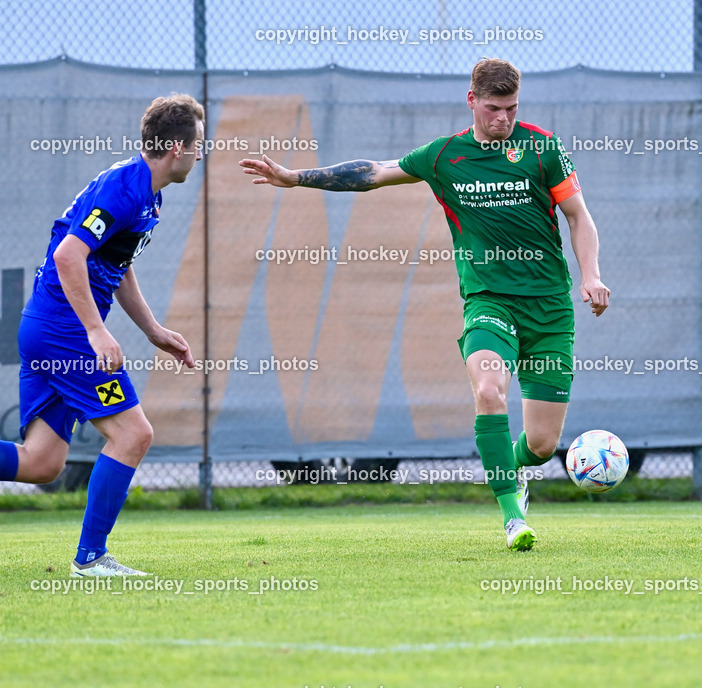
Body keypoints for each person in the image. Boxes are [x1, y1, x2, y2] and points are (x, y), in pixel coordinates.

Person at [240, 58, 610, 551]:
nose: (503, 119)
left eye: (512, 108)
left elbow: (578, 217)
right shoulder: (443, 157)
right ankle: (511, 518)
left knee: (542, 446)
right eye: (494, 108)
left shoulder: (542, 148)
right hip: (489, 302)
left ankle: (517, 468)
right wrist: (296, 177)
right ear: (472, 101)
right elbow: (374, 172)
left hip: (550, 309)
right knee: (489, 390)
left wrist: (592, 276)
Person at [0, 94, 204, 574]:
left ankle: (92, 557)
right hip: (63, 334)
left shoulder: (143, 191)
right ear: (177, 147)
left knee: (41, 463)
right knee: (133, 434)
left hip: (47, 329)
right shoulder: (126, 190)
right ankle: (91, 559)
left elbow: (115, 264)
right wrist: (94, 330)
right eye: (199, 142)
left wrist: (152, 330)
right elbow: (68, 256)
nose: (202, 152)